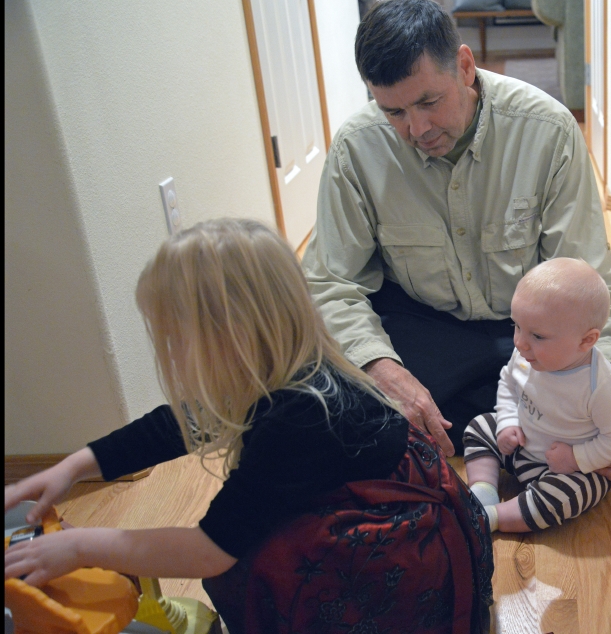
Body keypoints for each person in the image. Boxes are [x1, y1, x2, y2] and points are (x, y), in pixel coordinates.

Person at [4, 218, 493, 634]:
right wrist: (74, 467)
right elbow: (175, 424)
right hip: (381, 523)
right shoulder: (281, 369)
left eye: (173, 335)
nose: (168, 349)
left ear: (226, 336)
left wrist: (81, 546)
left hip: (400, 573)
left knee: (250, 556)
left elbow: (208, 552)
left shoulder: (303, 415)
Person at [301, 0, 611, 467]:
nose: (417, 128)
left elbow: (586, 274)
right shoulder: (356, 148)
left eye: (428, 102)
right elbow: (332, 283)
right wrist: (385, 371)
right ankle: (529, 425)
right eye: (394, 112)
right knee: (316, 406)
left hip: (527, 329)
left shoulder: (548, 129)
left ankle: (458, 424)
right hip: (423, 325)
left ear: (464, 66)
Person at [463, 258, 611, 532]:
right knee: (479, 426)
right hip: (520, 444)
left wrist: (577, 458)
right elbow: (508, 383)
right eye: (516, 326)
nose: (519, 342)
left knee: (573, 492)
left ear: (587, 340)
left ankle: (493, 517)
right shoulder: (526, 354)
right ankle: (481, 492)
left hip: (562, 469)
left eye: (537, 336)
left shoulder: (600, 386)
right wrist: (508, 422)